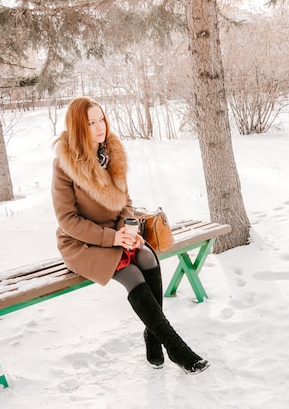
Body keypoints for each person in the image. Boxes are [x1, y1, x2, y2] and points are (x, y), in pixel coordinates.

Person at [51, 96, 209, 374]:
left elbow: (125, 203)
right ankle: (176, 347)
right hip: (82, 243)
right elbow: (67, 221)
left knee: (148, 259)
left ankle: (152, 334)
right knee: (133, 275)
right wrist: (113, 238)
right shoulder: (64, 165)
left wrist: (129, 229)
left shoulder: (111, 153)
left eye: (102, 119)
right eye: (91, 122)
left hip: (118, 233)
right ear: (78, 127)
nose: (100, 127)